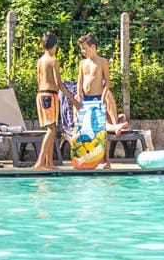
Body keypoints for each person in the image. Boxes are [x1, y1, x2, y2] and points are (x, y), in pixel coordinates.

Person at [31, 31, 78, 171]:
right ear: (55, 46)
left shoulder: (40, 61)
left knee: (51, 128)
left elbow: (40, 80)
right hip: (49, 95)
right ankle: (40, 162)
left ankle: (49, 162)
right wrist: (73, 100)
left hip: (40, 94)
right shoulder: (53, 61)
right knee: (51, 130)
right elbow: (59, 83)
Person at [75, 34, 123, 144]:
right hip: (86, 99)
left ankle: (106, 160)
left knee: (100, 128)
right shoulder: (82, 63)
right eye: (81, 49)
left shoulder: (102, 62)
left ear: (93, 47)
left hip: (97, 98)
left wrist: (103, 96)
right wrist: (79, 95)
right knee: (89, 125)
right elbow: (80, 82)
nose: (83, 51)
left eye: (84, 48)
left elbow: (107, 82)